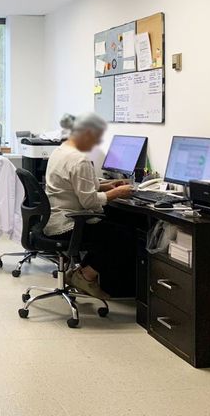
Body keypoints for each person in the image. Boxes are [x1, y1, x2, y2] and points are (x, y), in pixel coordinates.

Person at [44, 112, 134, 299]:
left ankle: (78, 273)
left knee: (114, 228)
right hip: (68, 223)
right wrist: (117, 193)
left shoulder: (60, 151)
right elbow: (89, 201)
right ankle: (86, 276)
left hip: (53, 218)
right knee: (124, 236)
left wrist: (105, 185)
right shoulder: (80, 160)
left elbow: (73, 185)